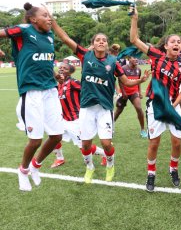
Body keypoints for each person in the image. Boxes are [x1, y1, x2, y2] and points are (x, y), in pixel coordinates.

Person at [51, 13, 150, 184]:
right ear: (93, 44)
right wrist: (53, 22)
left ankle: (110, 165)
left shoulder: (114, 61)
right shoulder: (85, 56)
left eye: (104, 39)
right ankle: (89, 168)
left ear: (107, 44)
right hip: (87, 108)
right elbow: (65, 38)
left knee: (106, 143)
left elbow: (125, 81)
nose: (101, 41)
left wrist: (140, 80)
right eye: (98, 40)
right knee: (86, 145)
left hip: (105, 108)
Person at [0, 3, 64, 191]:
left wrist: (55, 76)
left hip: (51, 90)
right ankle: (23, 170)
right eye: (45, 15)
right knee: (35, 140)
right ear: (33, 19)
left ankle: (36, 166)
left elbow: (45, 62)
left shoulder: (50, 37)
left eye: (50, 15)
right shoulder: (24, 30)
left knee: (56, 136)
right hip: (32, 92)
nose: (49, 18)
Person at [130, 6, 181, 192]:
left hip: (174, 106)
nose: (177, 44)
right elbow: (134, 40)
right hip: (155, 106)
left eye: (179, 42)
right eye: (173, 41)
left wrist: (174, 104)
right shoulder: (156, 56)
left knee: (177, 142)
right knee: (154, 142)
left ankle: (173, 169)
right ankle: (151, 173)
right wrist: (134, 19)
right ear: (165, 46)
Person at [51, 63, 107, 168]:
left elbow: (87, 90)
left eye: (65, 68)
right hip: (62, 119)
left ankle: (104, 153)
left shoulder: (73, 82)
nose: (61, 69)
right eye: (60, 67)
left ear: (70, 72)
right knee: (53, 138)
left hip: (74, 120)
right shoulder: (59, 84)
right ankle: (60, 158)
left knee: (83, 146)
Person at [114, 56, 147, 138]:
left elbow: (138, 81)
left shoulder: (138, 69)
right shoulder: (123, 68)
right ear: (129, 60)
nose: (136, 59)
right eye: (133, 58)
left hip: (134, 92)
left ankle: (143, 130)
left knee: (139, 108)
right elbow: (120, 81)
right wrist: (123, 92)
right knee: (118, 111)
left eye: (136, 58)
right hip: (124, 92)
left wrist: (139, 92)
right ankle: (110, 127)